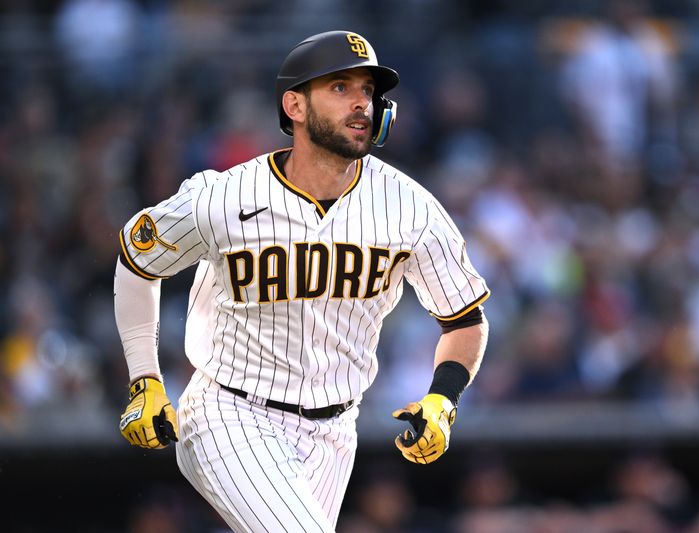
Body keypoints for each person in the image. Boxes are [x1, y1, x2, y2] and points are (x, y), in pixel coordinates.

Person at [114, 30, 490, 533]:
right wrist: (145, 378)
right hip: (230, 412)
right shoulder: (224, 197)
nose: (362, 102)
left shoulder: (410, 208)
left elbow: (464, 318)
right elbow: (138, 257)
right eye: (340, 87)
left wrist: (444, 397)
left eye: (369, 91)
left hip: (336, 430)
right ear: (294, 104)